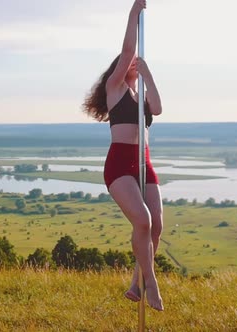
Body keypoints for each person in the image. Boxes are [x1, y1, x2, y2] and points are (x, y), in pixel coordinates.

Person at [82, 0, 164, 311]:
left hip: (144, 162)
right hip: (119, 164)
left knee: (155, 225)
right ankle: (151, 283)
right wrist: (134, 13)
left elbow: (156, 108)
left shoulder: (139, 94)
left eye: (135, 62)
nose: (133, 61)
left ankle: (136, 283)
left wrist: (149, 75)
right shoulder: (114, 87)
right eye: (128, 61)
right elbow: (128, 50)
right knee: (141, 220)